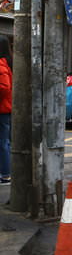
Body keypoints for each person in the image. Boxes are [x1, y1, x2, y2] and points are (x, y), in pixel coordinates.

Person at [0, 36, 12, 185]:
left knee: (3, 142)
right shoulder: (7, 62)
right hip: (5, 108)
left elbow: (4, 87)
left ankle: (5, 174)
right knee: (4, 142)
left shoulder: (1, 64)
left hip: (2, 109)